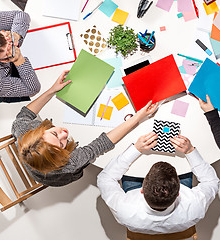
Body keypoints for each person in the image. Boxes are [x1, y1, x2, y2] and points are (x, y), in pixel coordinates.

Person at [11, 70, 158, 187]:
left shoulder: (22, 127)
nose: (64, 133)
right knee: (76, 171)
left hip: (38, 160)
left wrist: (52, 90)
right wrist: (138, 117)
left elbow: (24, 114)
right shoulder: (70, 163)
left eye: (54, 133)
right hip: (55, 177)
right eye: (62, 144)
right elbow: (100, 144)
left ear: (39, 131)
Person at [97, 132, 219, 234]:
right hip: (180, 217)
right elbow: (211, 181)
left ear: (141, 190)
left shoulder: (124, 209)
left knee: (130, 170)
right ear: (178, 193)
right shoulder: (195, 206)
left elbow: (105, 178)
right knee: (185, 167)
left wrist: (135, 149)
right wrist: (190, 151)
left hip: (135, 217)